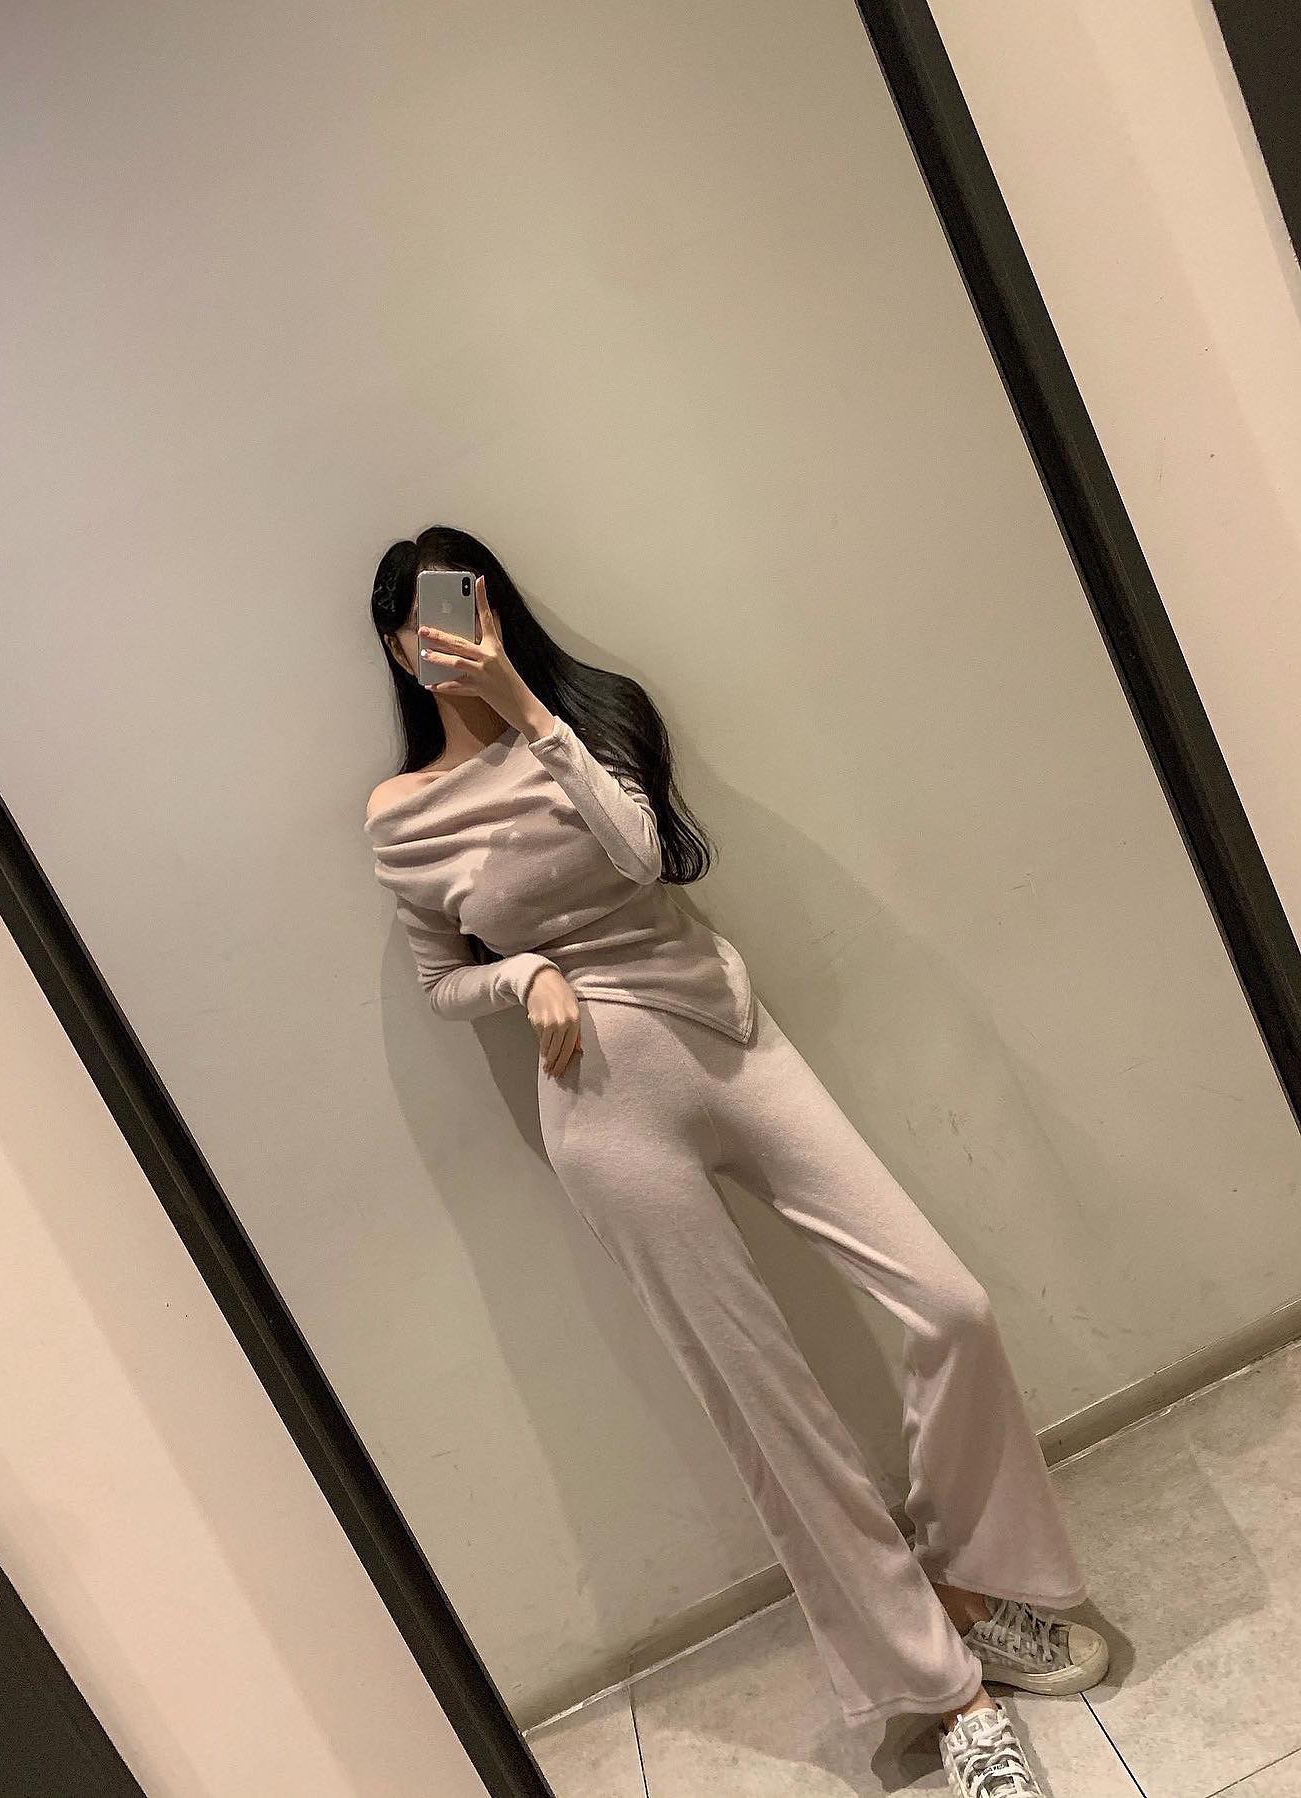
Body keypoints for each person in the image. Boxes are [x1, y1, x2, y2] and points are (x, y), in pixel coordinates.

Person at [364, 525, 1109, 1794]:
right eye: (418, 626)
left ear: (495, 608)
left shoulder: (594, 714)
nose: (444, 637)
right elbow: (442, 977)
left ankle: (968, 1585)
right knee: (772, 1409)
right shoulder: (400, 816)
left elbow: (644, 856)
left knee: (949, 1304)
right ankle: (952, 1694)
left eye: (463, 607)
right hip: (599, 1102)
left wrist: (524, 705)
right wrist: (524, 973)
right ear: (394, 648)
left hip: (729, 1037)